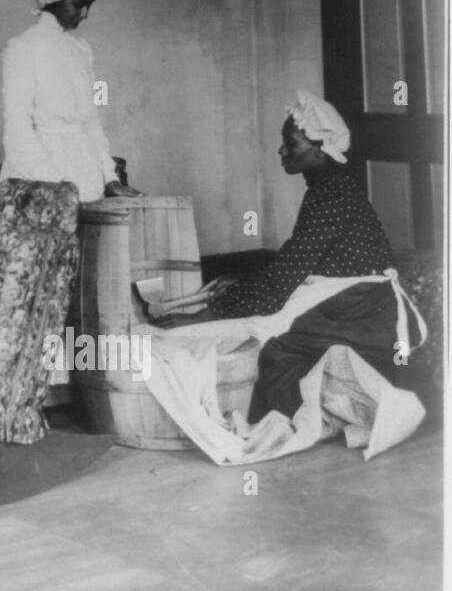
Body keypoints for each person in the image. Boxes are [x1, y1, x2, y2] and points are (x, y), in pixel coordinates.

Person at [157, 91, 427, 423]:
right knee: (260, 331)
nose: (282, 150)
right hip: (349, 304)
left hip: (357, 313)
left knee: (264, 343)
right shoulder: (331, 187)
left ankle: (296, 412)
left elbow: (282, 281)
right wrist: (242, 283)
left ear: (319, 149)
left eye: (291, 143)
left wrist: (207, 314)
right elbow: (294, 260)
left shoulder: (331, 194)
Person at [1, 0, 139, 202]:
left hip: (84, 173)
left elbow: (91, 121)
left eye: (90, 4)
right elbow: (17, 130)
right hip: (38, 179)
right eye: (79, 4)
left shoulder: (81, 50)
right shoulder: (23, 47)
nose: (85, 13)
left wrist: (110, 178)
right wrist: (57, 186)